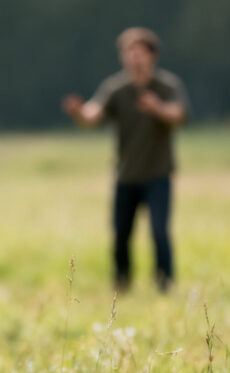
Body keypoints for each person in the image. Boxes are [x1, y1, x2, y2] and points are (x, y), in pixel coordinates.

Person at [62, 27, 189, 293]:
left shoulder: (167, 86)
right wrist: (78, 112)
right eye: (128, 52)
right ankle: (122, 286)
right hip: (126, 174)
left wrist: (156, 107)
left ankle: (164, 284)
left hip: (158, 173)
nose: (133, 58)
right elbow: (93, 115)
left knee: (159, 232)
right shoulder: (116, 89)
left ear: (152, 55)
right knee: (121, 234)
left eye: (139, 52)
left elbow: (179, 115)